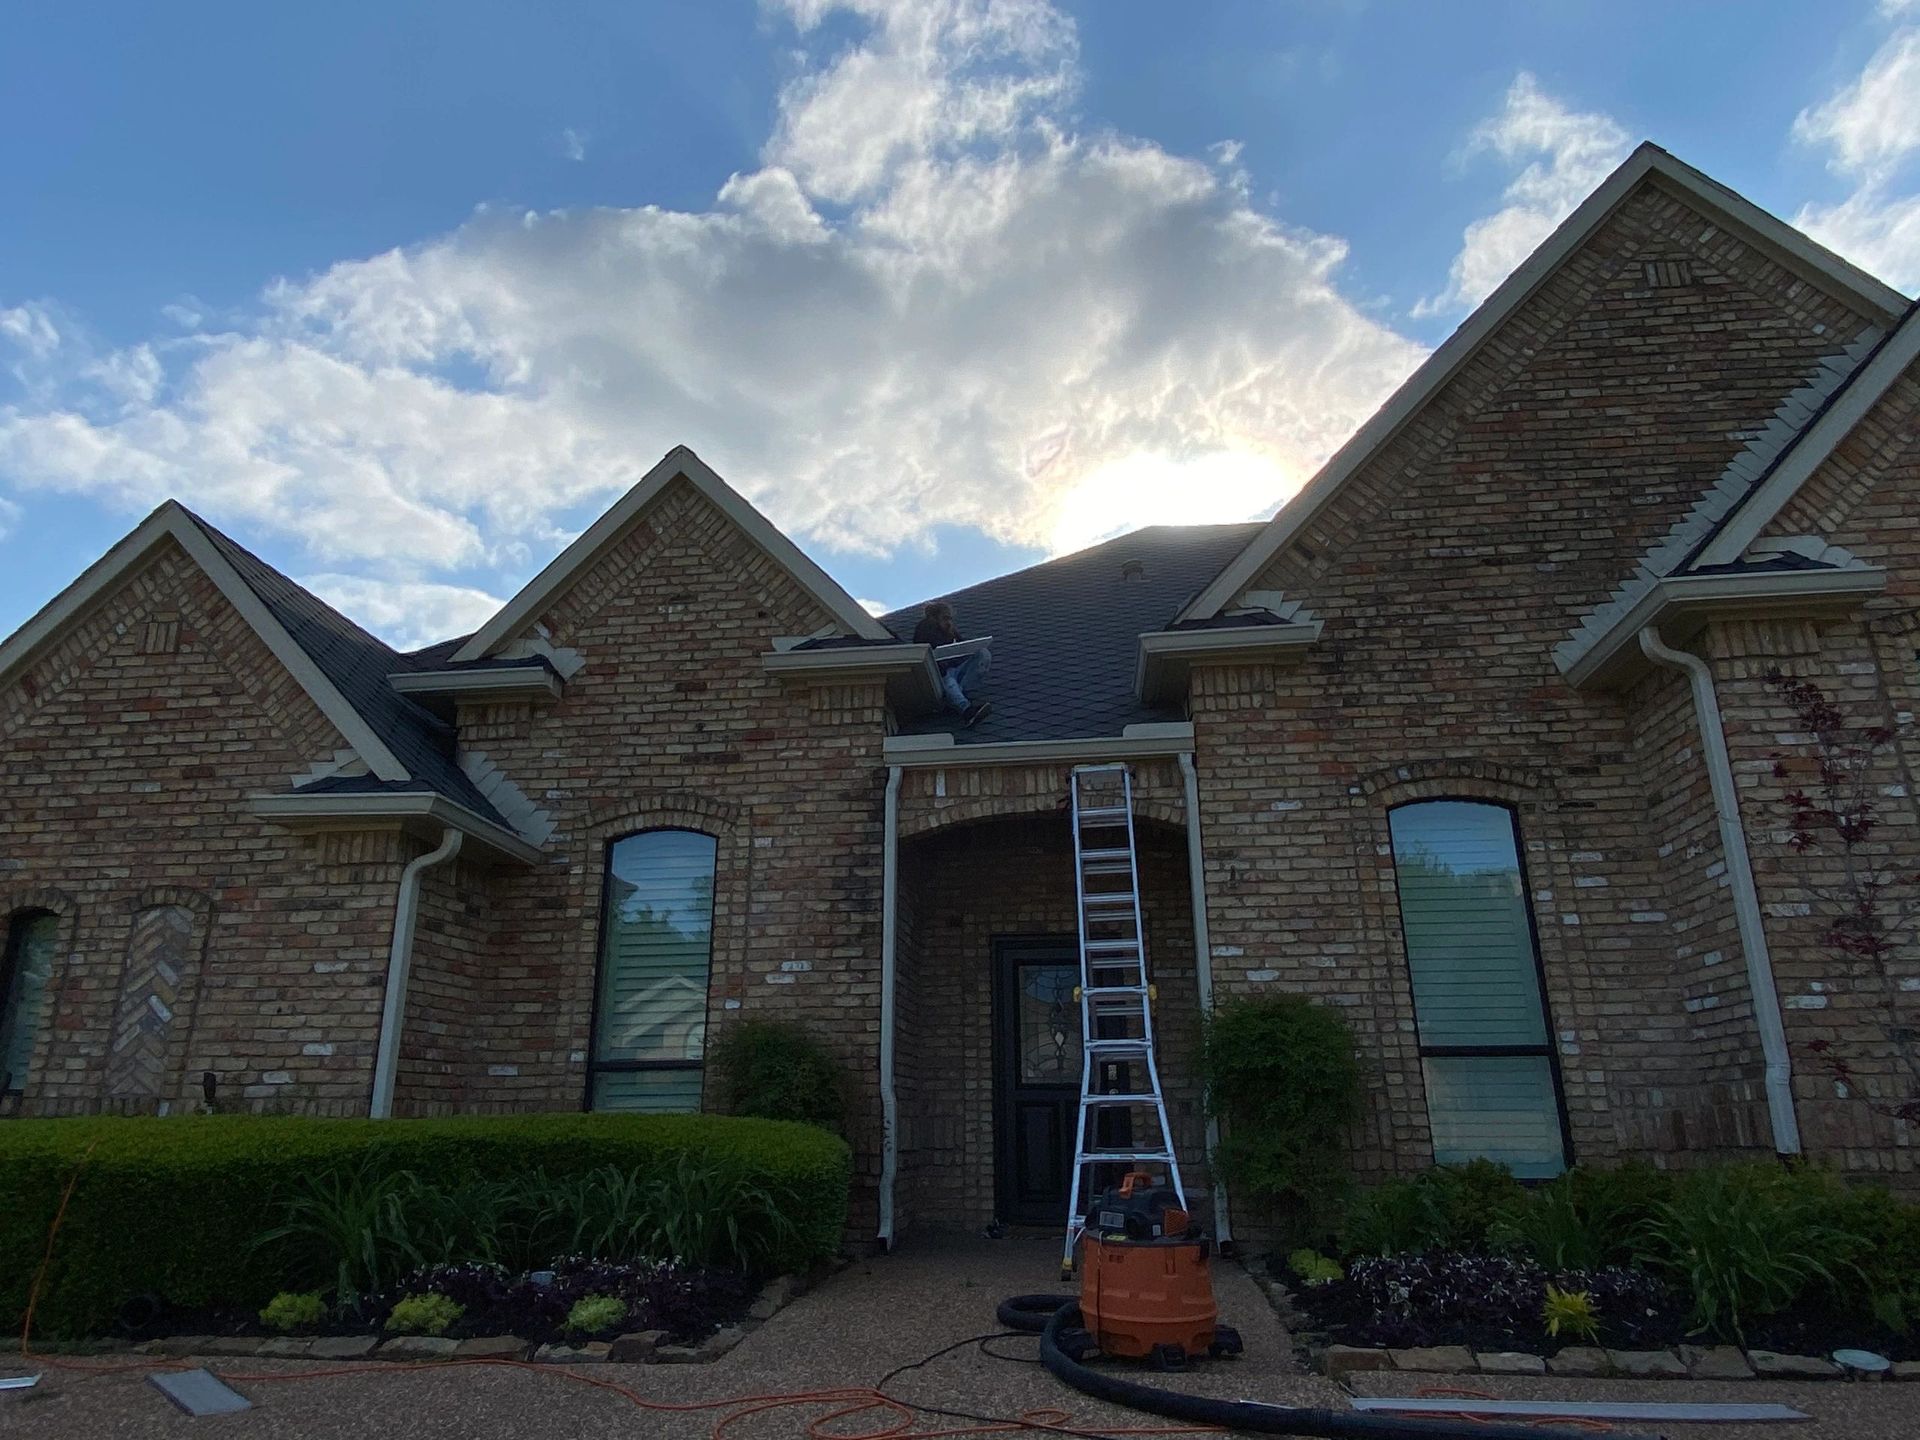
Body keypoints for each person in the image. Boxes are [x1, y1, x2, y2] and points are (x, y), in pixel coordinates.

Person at [913, 600, 992, 726]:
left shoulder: (950, 631)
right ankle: (966, 710)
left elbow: (964, 648)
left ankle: (958, 693)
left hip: (953, 669)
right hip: (939, 672)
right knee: (947, 676)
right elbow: (926, 654)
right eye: (945, 618)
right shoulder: (925, 628)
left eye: (950, 619)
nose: (949, 622)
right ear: (934, 617)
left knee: (982, 653)